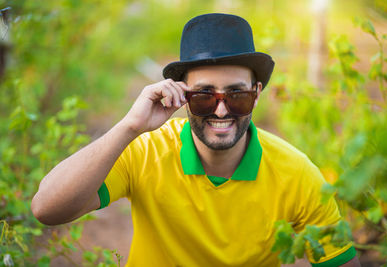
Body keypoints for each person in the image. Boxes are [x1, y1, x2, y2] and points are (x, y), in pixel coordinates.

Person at [31, 13, 361, 266]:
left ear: (257, 95)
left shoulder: (296, 173)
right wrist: (130, 126)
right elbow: (46, 209)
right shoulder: (146, 151)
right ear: (182, 96)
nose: (220, 111)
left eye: (237, 96)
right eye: (204, 96)